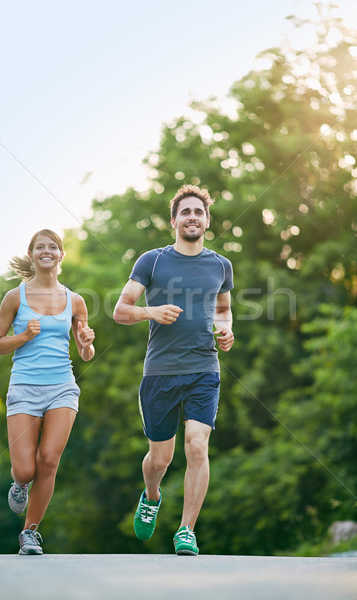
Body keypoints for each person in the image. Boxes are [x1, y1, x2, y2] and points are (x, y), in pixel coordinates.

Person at [113, 184, 234, 555]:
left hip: (204, 370)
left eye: (199, 212)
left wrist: (228, 329)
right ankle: (151, 496)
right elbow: (120, 310)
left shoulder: (221, 266)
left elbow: (224, 309)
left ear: (207, 220)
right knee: (160, 459)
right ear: (174, 221)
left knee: (197, 446)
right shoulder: (152, 261)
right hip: (160, 373)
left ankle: (186, 531)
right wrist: (152, 311)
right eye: (186, 212)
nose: (193, 217)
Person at [0, 229, 95, 555]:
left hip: (62, 387)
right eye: (40, 247)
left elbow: (85, 353)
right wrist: (22, 337)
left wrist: (88, 343)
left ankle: (30, 533)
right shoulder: (14, 297)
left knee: (48, 460)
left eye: (53, 247)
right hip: (24, 386)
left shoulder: (75, 300)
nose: (46, 251)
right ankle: (20, 485)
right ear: (32, 255)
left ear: (61, 255)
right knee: (25, 469)